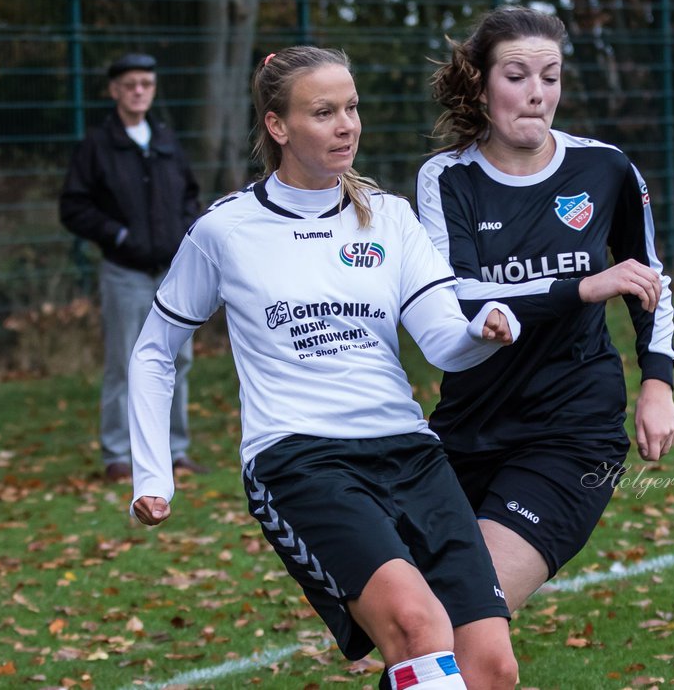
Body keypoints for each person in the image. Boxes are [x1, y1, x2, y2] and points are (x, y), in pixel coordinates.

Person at [128, 46, 520, 690]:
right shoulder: (225, 230)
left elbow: (445, 344)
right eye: (324, 112)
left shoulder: (390, 218)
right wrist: (154, 474)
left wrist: (484, 328)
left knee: (491, 666)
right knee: (417, 626)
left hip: (410, 452)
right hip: (300, 459)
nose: (347, 125)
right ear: (279, 127)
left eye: (352, 107)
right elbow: (153, 350)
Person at [417, 6, 674, 616]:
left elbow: (648, 277)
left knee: (465, 610)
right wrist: (580, 289)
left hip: (572, 429)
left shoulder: (605, 168)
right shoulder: (446, 179)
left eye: (551, 76)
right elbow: (455, 298)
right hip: (469, 422)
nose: (538, 94)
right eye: (517, 76)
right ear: (481, 85)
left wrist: (658, 383)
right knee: (424, 623)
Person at [59, 52, 206, 482]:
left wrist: (183, 231)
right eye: (130, 84)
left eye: (146, 83)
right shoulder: (97, 146)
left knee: (178, 361)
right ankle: (118, 457)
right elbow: (74, 206)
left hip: (172, 274)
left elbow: (189, 195)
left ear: (153, 88)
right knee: (125, 362)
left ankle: (175, 452)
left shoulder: (164, 139)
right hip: (125, 274)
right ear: (114, 91)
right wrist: (120, 236)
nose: (138, 90)